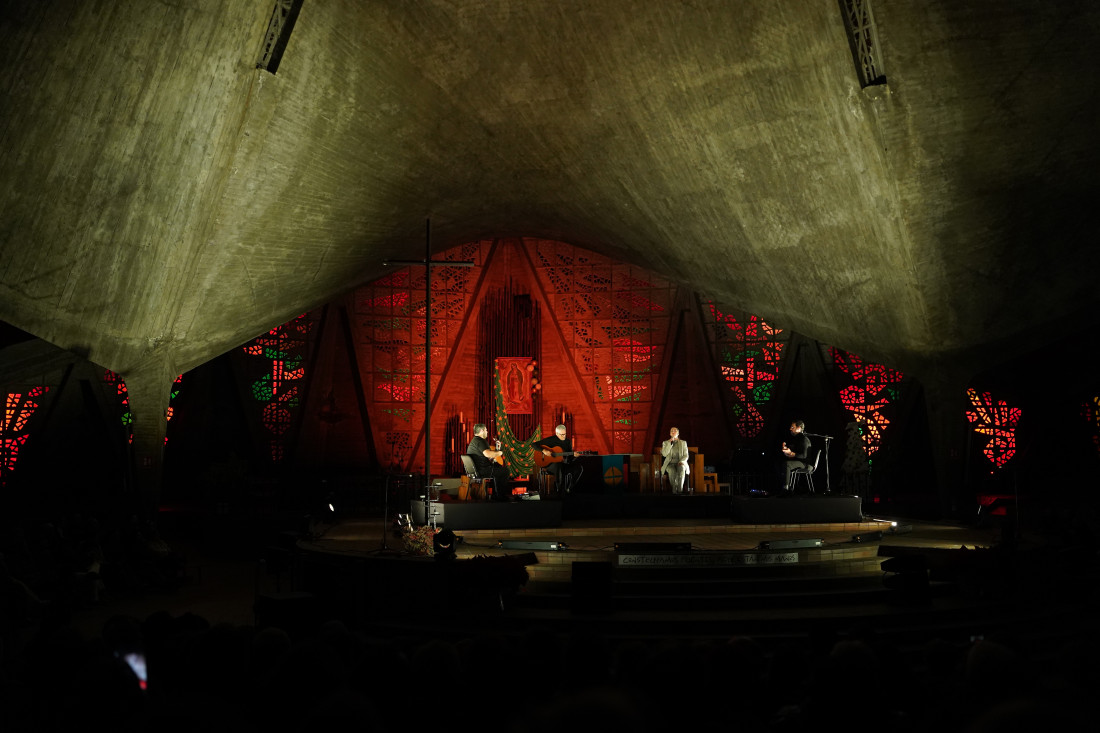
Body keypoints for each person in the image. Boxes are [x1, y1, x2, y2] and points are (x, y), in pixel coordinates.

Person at [467, 423, 511, 500]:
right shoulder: (481, 441)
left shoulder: (474, 441)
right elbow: (488, 454)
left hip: (478, 469)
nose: (487, 432)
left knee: (498, 467)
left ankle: (496, 495)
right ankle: (500, 496)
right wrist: (500, 452)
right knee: (505, 471)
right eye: (486, 430)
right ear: (481, 431)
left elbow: (488, 456)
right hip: (483, 470)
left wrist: (497, 449)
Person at [538, 424, 584, 494]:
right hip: (550, 465)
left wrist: (574, 456)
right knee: (558, 465)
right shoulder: (550, 440)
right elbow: (534, 445)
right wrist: (544, 451)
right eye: (562, 434)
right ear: (556, 433)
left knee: (578, 467)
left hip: (563, 464)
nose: (564, 436)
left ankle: (569, 488)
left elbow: (570, 458)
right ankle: (560, 490)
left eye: (565, 434)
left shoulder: (568, 442)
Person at [778, 419, 812, 493]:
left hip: (804, 463)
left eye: (792, 427)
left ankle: (786, 488)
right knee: (779, 462)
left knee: (787, 464)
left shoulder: (804, 439)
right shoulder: (796, 439)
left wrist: (792, 453)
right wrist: (786, 450)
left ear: (799, 428)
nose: (790, 429)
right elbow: (793, 451)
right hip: (798, 461)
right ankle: (782, 487)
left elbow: (804, 456)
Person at [660, 427, 691, 494]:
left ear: (678, 433)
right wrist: (669, 444)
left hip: (680, 462)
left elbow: (686, 455)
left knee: (682, 469)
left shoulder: (683, 443)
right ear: (670, 433)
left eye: (675, 431)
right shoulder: (665, 443)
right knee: (672, 471)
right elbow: (664, 454)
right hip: (670, 463)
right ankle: (674, 489)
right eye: (672, 431)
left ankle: (680, 489)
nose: (673, 432)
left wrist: (682, 461)